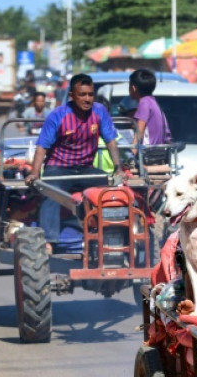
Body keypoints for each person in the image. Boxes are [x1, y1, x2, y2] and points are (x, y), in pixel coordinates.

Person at [25, 73, 123, 253]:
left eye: (90, 94)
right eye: (82, 95)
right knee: (50, 193)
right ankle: (49, 241)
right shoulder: (58, 115)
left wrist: (118, 168)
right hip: (59, 168)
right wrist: (34, 173)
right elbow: (42, 147)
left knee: (111, 191)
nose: (87, 99)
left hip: (86, 168)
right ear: (71, 96)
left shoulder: (100, 111)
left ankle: (110, 235)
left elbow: (110, 140)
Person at [129, 69, 170, 148]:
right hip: (158, 152)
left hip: (148, 153)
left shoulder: (144, 103)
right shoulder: (152, 101)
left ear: (133, 88)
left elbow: (139, 132)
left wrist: (131, 155)